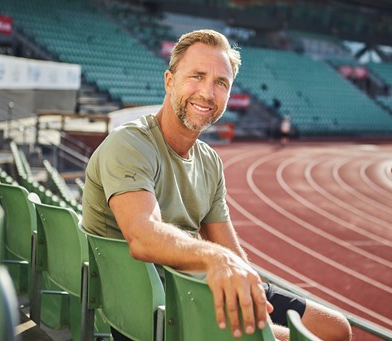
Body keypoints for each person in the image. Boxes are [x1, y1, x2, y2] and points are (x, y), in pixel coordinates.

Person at [82, 29, 351, 341]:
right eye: (196, 76)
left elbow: (228, 248)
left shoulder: (209, 162)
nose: (208, 93)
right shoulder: (129, 143)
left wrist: (250, 287)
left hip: (197, 287)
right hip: (146, 308)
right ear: (169, 81)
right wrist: (217, 259)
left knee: (336, 328)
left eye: (221, 83)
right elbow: (142, 236)